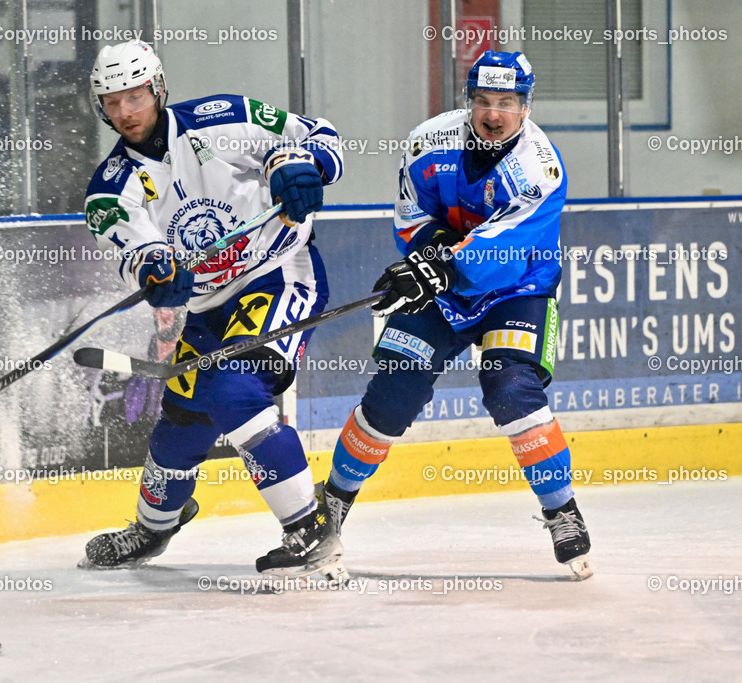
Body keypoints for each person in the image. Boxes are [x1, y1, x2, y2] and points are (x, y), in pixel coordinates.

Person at [317, 50, 593, 579]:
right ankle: (330, 504)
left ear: (526, 107)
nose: (494, 114)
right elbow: (410, 214)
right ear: (468, 102)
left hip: (518, 288)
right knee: (393, 392)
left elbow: (503, 250)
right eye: (484, 102)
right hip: (444, 289)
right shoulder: (427, 142)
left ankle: (561, 509)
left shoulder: (540, 168)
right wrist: (426, 251)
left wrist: (440, 263)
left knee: (512, 388)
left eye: (507, 104)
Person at [80, 40, 346, 579]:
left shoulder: (221, 119)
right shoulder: (110, 190)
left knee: (232, 388)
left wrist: (300, 165)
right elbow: (138, 249)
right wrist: (156, 271)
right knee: (182, 414)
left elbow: (321, 137)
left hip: (279, 274)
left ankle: (310, 531)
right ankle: (153, 528)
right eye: (113, 102)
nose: (127, 111)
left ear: (157, 89)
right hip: (208, 308)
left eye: (135, 95)